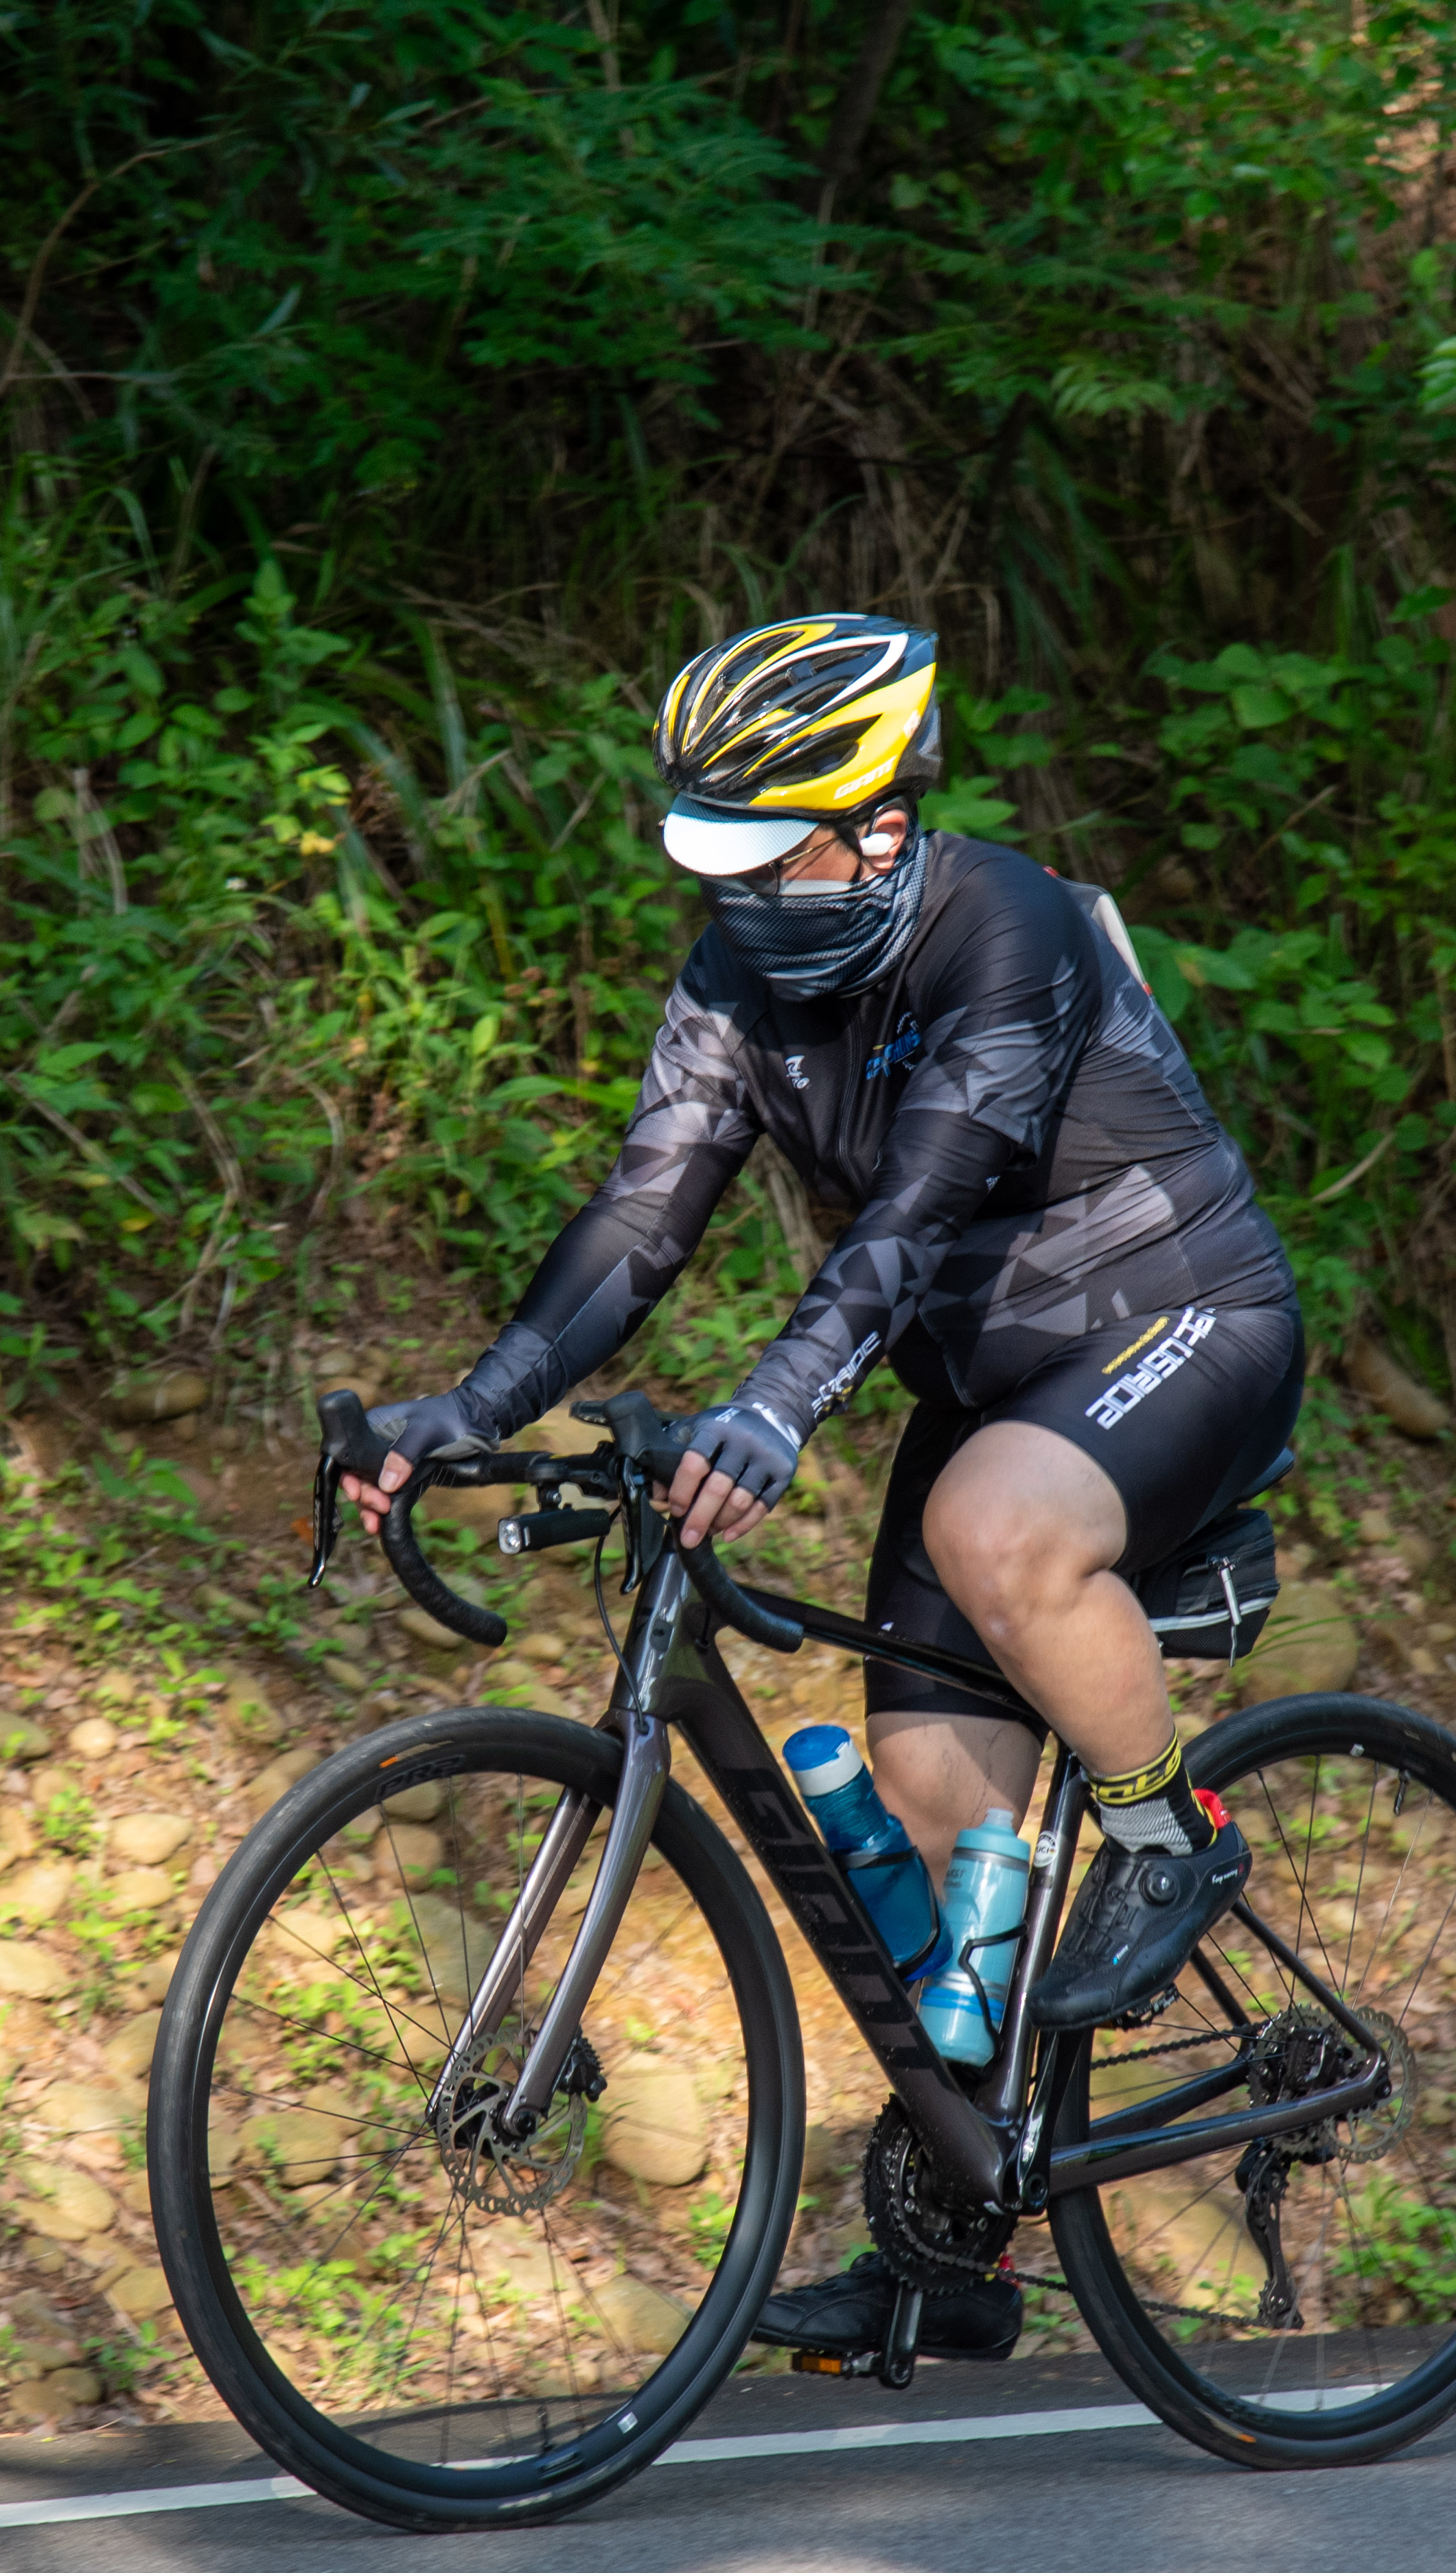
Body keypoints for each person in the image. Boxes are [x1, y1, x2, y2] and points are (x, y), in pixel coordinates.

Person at [349, 611, 1304, 2362]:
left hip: (1183, 1320)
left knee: (988, 1527)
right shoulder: (736, 977)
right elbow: (641, 1215)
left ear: (877, 824)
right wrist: (464, 1409)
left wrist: (778, 1404)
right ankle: (956, 2249)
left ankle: (1177, 1835)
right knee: (937, 1818)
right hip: (989, 1378)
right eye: (705, 858)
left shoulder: (999, 926)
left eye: (761, 851)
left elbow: (918, 1204)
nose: (730, 896)